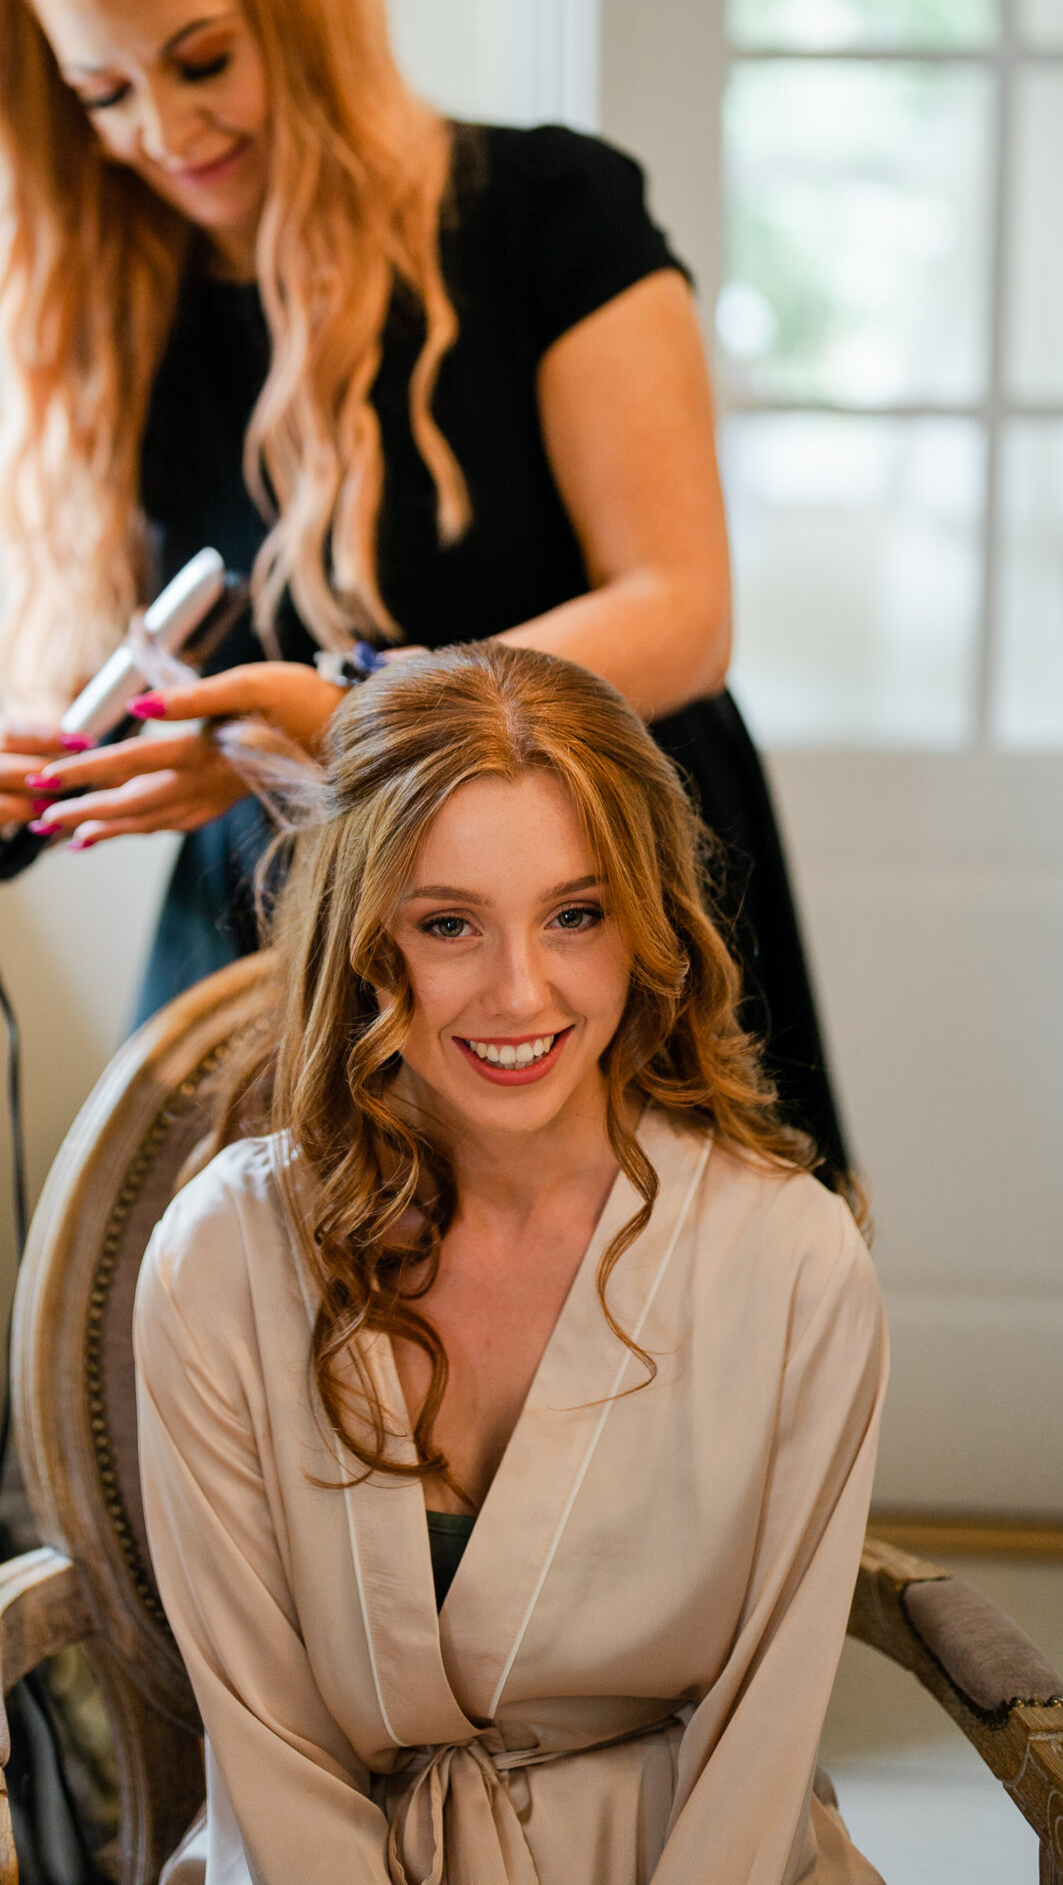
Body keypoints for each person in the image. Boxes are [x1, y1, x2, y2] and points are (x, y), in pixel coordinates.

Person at [0, 0, 848, 1177]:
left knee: (653, 1352)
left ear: (295, 8)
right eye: (102, 92)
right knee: (233, 1357)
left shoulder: (547, 213)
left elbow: (678, 612)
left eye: (202, 58)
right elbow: (174, 666)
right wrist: (68, 754)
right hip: (290, 925)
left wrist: (355, 718)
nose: (164, 134)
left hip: (586, 904)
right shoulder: (118, 306)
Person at [133, 644, 886, 1885]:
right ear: (360, 935)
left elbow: (760, 1759)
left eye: (575, 914)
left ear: (648, 926)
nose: (520, 991)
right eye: (448, 924)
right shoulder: (219, 1263)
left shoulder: (794, 1263)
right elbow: (268, 1755)